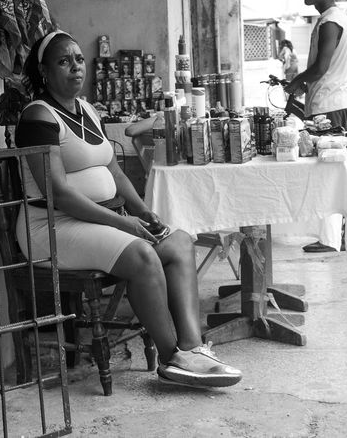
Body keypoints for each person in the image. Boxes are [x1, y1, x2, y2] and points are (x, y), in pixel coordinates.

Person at [15, 31, 242, 388]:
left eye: (78, 59)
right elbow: (58, 193)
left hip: (97, 221)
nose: (75, 66)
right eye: (63, 61)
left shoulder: (87, 109)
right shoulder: (37, 118)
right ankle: (172, 359)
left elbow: (113, 170)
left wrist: (143, 210)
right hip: (53, 226)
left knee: (180, 242)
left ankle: (193, 348)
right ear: (43, 71)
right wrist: (125, 224)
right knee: (142, 255)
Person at [284, 0, 347, 254]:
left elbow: (321, 68)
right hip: (329, 103)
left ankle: (330, 240)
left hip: (330, 107)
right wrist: (303, 84)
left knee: (327, 174)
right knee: (330, 172)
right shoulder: (332, 19)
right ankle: (334, 236)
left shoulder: (331, 22)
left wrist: (297, 82)